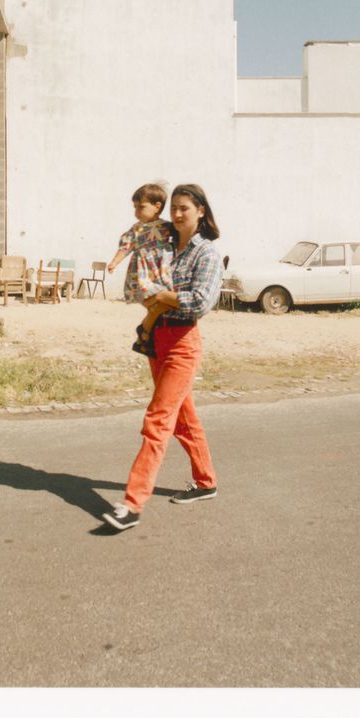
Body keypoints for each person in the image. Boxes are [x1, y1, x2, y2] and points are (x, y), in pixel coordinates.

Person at [101, 184, 224, 532]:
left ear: (201, 211)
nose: (178, 213)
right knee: (183, 418)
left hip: (184, 341)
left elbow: (200, 302)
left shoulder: (207, 254)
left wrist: (160, 294)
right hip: (158, 337)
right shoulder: (168, 246)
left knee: (157, 420)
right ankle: (206, 482)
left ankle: (131, 504)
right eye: (175, 208)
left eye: (185, 207)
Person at [106, 183, 175, 357]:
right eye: (135, 207)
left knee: (163, 306)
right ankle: (145, 333)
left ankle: (144, 335)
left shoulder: (168, 227)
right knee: (158, 305)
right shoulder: (136, 229)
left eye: (141, 206)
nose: (137, 211)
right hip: (142, 275)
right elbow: (125, 247)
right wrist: (115, 262)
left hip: (160, 273)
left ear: (157, 206)